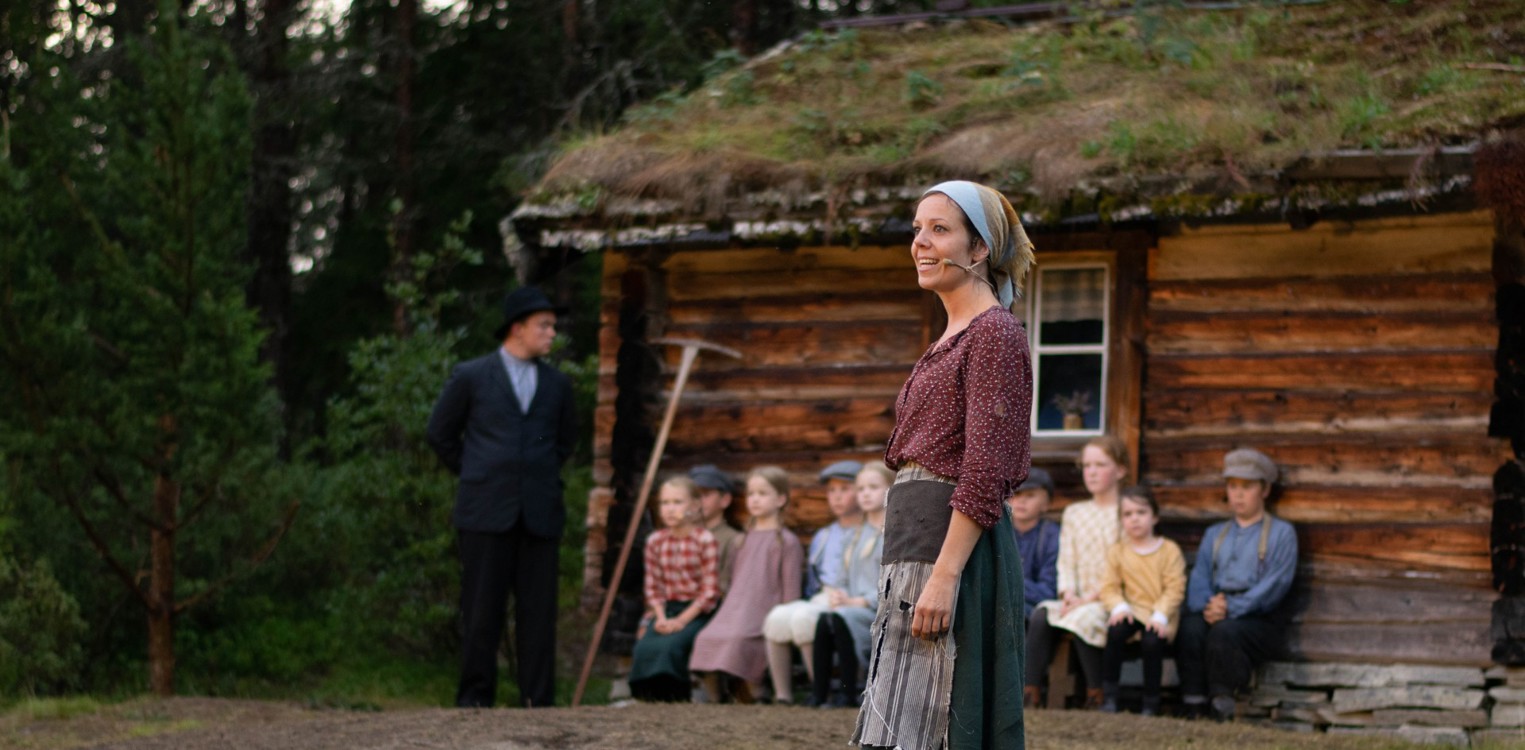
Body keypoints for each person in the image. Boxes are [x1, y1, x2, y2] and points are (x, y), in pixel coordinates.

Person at [851, 180, 1033, 750]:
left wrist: (946, 576)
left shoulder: (995, 335)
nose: (920, 244)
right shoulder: (947, 338)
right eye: (916, 230)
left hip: (953, 556)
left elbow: (983, 468)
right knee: (895, 722)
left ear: (979, 250)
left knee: (936, 724)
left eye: (939, 230)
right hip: (911, 548)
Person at [425, 285, 576, 708]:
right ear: (517, 328)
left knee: (538, 616)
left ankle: (537, 701)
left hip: (540, 513)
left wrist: (536, 479)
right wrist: (477, 472)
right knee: (480, 612)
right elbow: (439, 433)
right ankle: (475, 700)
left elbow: (563, 443)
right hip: (485, 511)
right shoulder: (473, 375)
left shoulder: (557, 384)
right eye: (544, 326)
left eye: (553, 326)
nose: (552, 334)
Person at [1177, 448, 1297, 722]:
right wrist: (1208, 605)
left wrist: (1231, 608)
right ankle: (1192, 703)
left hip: (1257, 618)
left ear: (1265, 490)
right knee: (1191, 628)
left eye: (1247, 487)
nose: (1238, 494)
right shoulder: (1215, 534)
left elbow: (1274, 585)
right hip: (1217, 607)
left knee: (1225, 632)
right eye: (1232, 486)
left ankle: (1222, 703)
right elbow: (1200, 576)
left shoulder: (1281, 533)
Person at [1025, 436, 1127, 710]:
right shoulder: (1074, 512)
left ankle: (1096, 693)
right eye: (1087, 465)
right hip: (1075, 598)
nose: (1091, 472)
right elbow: (1066, 560)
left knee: (1084, 618)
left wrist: (1090, 598)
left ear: (1120, 470)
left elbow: (1125, 566)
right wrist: (1068, 593)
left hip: (1111, 600)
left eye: (1100, 465)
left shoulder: (1127, 512)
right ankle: (1030, 690)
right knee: (1042, 614)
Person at [690, 466, 804, 703]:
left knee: (739, 639)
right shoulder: (740, 541)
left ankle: (756, 692)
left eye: (763, 493)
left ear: (780, 499)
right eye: (751, 494)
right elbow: (730, 582)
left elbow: (790, 590)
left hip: (764, 611)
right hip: (734, 608)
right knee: (706, 637)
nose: (755, 499)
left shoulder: (786, 542)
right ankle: (716, 698)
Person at [762, 459, 864, 703]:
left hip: (852, 598)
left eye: (844, 490)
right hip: (823, 596)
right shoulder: (824, 535)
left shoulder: (870, 531)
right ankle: (783, 694)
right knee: (777, 616)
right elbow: (815, 579)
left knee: (803, 619)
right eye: (832, 491)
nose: (837, 497)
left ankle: (823, 692)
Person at [628, 476, 721, 702]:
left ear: (695, 506)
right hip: (666, 609)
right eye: (665, 503)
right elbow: (653, 585)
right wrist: (659, 617)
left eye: (677, 502)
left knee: (672, 646)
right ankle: (648, 699)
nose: (670, 509)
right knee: (644, 648)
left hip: (697, 611)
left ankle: (677, 699)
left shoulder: (704, 540)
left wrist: (681, 621)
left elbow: (709, 591)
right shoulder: (656, 541)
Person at [808, 461, 891, 708]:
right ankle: (820, 693)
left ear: (890, 490)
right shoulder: (854, 535)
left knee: (843, 618)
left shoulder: (893, 533)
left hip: (879, 609)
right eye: (861, 488)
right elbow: (842, 578)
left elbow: (894, 582)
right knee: (826, 618)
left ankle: (848, 691)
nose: (865, 493)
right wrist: (839, 595)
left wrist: (861, 601)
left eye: (873, 487)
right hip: (852, 606)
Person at [1098, 485, 1185, 716]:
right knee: (1115, 632)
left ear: (1154, 516)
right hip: (1132, 610)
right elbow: (1109, 586)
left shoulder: (1169, 550)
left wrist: (1161, 614)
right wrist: (1118, 606)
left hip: (1160, 613)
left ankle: (1150, 701)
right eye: (1128, 514)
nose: (1134, 519)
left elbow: (1175, 588)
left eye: (1141, 512)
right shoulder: (1118, 551)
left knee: (1152, 641)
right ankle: (1109, 697)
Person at [1007, 467, 1059, 625]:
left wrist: (1010, 583)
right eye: (1017, 494)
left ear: (1046, 504)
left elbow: (1049, 590)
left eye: (1030, 495)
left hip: (1033, 614)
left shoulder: (1051, 536)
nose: (1021, 501)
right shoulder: (998, 532)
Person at [689, 464, 743, 595]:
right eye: (694, 495)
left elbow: (728, 590)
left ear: (725, 500)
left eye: (705, 494)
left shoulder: (734, 539)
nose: (698, 501)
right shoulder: (679, 536)